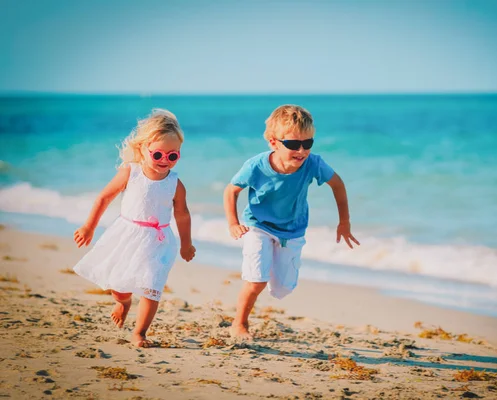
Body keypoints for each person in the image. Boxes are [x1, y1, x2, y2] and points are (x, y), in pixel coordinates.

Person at [224, 104, 359, 340]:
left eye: (308, 143)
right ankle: (239, 324)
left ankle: (267, 270)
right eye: (293, 144)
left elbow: (337, 184)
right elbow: (230, 191)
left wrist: (344, 222)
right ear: (274, 142)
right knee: (257, 281)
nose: (301, 150)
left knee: (281, 290)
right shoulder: (255, 166)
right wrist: (233, 223)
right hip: (258, 226)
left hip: (293, 230)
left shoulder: (313, 164)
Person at [73, 108, 196, 347]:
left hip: (158, 241)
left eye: (173, 156)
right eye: (158, 154)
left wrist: (186, 244)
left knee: (152, 287)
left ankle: (140, 333)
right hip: (127, 235)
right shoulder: (132, 172)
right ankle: (123, 302)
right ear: (142, 149)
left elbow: (182, 214)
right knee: (119, 285)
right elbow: (104, 198)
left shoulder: (175, 183)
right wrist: (89, 226)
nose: (165, 161)